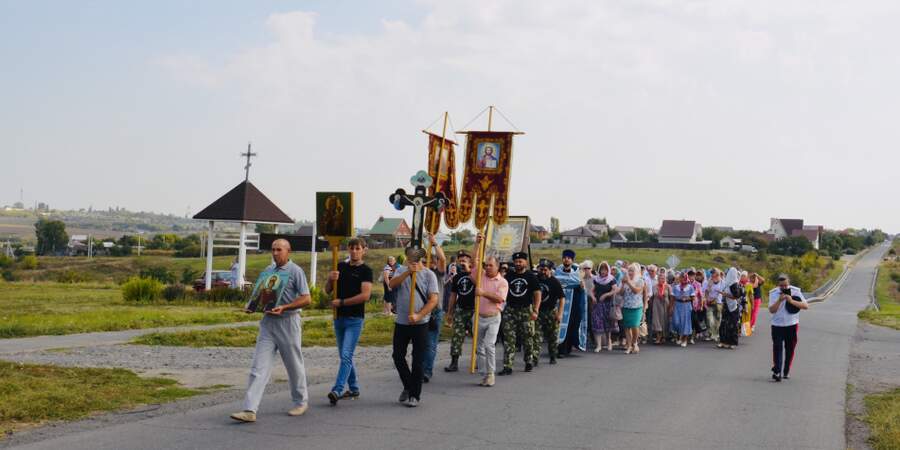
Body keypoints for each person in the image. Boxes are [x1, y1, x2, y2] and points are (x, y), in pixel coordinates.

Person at [231, 239, 312, 423]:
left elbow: (307, 299)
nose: (275, 253)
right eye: (273, 249)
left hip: (288, 322)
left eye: (279, 250)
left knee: (293, 365)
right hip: (268, 323)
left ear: (288, 251)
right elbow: (261, 296)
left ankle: (301, 401)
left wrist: (286, 307)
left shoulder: (295, 271)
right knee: (258, 367)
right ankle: (250, 409)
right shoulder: (268, 271)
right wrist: (252, 306)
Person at [324, 237, 373, 406]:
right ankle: (353, 388)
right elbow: (327, 290)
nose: (354, 251)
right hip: (339, 318)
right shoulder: (340, 266)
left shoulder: (366, 271)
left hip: (354, 318)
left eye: (358, 248)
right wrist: (331, 278)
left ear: (364, 250)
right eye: (351, 248)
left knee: (346, 355)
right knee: (345, 356)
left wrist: (343, 302)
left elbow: (365, 296)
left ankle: (337, 390)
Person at [388, 251, 440, 407]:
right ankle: (408, 385)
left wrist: (419, 315)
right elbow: (391, 285)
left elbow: (433, 300)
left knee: (418, 360)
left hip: (421, 323)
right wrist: (408, 273)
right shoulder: (400, 270)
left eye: (416, 258)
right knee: (397, 356)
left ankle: (414, 395)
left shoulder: (429, 275)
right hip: (402, 322)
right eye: (410, 258)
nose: (413, 261)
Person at [472, 239, 508, 387]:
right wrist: (477, 244)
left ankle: (491, 374)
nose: (487, 268)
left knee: (488, 345)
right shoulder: (480, 276)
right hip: (478, 317)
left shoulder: (502, 282)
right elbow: (474, 260)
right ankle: (485, 373)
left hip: (493, 318)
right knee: (478, 347)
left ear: (497, 267)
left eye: (490, 265)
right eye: (486, 265)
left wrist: (483, 293)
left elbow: (499, 299)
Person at [499, 251, 540, 375]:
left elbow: (537, 294)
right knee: (509, 338)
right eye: (516, 262)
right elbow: (500, 285)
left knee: (528, 338)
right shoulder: (509, 275)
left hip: (526, 310)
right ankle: (508, 366)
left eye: (520, 261)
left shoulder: (531, 276)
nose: (518, 264)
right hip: (510, 310)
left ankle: (528, 361)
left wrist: (536, 310)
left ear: (525, 263)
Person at [769, 274, 808, 381]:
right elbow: (771, 310)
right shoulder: (773, 293)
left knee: (790, 349)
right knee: (777, 348)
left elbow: (805, 306)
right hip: (777, 326)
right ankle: (777, 371)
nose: (784, 288)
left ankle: (786, 370)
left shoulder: (795, 291)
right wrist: (779, 300)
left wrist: (791, 301)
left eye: (786, 285)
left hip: (792, 325)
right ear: (778, 285)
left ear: (789, 284)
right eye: (781, 286)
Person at [444, 249, 475, 373]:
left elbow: (480, 285)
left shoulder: (476, 273)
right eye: (460, 260)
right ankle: (454, 362)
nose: (462, 262)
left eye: (465, 260)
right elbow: (453, 295)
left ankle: (478, 360)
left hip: (474, 309)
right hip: (461, 309)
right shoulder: (457, 277)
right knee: (457, 336)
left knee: (477, 336)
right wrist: (450, 312)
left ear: (470, 260)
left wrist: (469, 271)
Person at [422, 234, 447, 384]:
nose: (428, 263)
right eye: (425, 260)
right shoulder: (419, 273)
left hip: (434, 312)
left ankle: (427, 371)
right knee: (419, 343)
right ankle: (419, 367)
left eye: (432, 260)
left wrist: (434, 243)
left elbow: (443, 259)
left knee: (430, 343)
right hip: (419, 311)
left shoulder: (438, 274)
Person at [533, 259, 564, 364]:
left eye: (545, 270)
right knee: (536, 335)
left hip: (551, 311)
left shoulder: (555, 282)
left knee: (552, 336)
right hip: (538, 311)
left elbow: (562, 298)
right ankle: (535, 358)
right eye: (541, 269)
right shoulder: (535, 280)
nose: (543, 272)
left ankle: (552, 356)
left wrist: (559, 314)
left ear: (550, 270)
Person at [556, 249, 586, 357]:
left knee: (570, 326)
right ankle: (560, 349)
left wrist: (581, 287)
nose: (566, 260)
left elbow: (581, 290)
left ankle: (567, 348)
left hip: (573, 305)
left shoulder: (577, 274)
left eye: (568, 258)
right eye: (565, 258)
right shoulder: (557, 272)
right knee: (560, 326)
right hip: (561, 304)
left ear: (572, 260)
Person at [591, 261, 618, 352]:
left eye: (605, 270)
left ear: (608, 270)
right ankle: (599, 345)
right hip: (598, 305)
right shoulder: (596, 279)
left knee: (607, 324)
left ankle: (609, 342)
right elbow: (592, 290)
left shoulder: (611, 279)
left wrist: (606, 295)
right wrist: (593, 297)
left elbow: (615, 290)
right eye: (602, 269)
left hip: (607, 304)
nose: (603, 272)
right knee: (597, 323)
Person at [620, 263, 646, 354]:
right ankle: (629, 346)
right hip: (626, 306)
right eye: (629, 270)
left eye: (632, 270)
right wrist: (623, 284)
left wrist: (628, 282)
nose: (630, 272)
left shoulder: (640, 280)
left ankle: (634, 343)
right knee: (627, 327)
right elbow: (621, 293)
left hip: (637, 307)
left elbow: (636, 291)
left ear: (636, 272)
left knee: (635, 326)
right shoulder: (625, 280)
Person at [719, 268, 744, 349]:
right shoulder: (727, 283)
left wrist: (724, 294)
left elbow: (736, 296)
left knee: (732, 325)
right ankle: (723, 341)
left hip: (733, 307)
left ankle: (732, 342)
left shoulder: (734, 284)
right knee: (724, 324)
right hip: (726, 306)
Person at [670, 272, 694, 348]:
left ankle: (684, 340)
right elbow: (672, 298)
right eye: (682, 277)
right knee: (676, 322)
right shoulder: (675, 287)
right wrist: (671, 307)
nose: (683, 279)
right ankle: (679, 336)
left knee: (685, 323)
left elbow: (693, 297)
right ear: (679, 278)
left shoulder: (690, 287)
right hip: (677, 305)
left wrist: (687, 298)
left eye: (684, 277)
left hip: (686, 306)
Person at [650, 268, 670, 345]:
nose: (662, 280)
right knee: (656, 320)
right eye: (660, 278)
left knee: (664, 321)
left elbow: (671, 297)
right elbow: (653, 296)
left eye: (663, 278)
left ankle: (663, 336)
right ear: (658, 279)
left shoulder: (668, 286)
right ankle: (658, 337)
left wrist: (670, 307)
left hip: (665, 304)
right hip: (657, 305)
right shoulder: (655, 286)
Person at [704, 269, 724, 343]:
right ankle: (711, 334)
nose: (713, 275)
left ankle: (716, 334)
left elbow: (722, 292)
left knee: (717, 319)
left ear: (718, 274)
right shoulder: (709, 282)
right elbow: (706, 291)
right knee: (709, 318)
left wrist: (714, 298)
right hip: (709, 303)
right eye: (712, 274)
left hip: (718, 303)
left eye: (715, 273)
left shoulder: (722, 282)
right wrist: (706, 298)